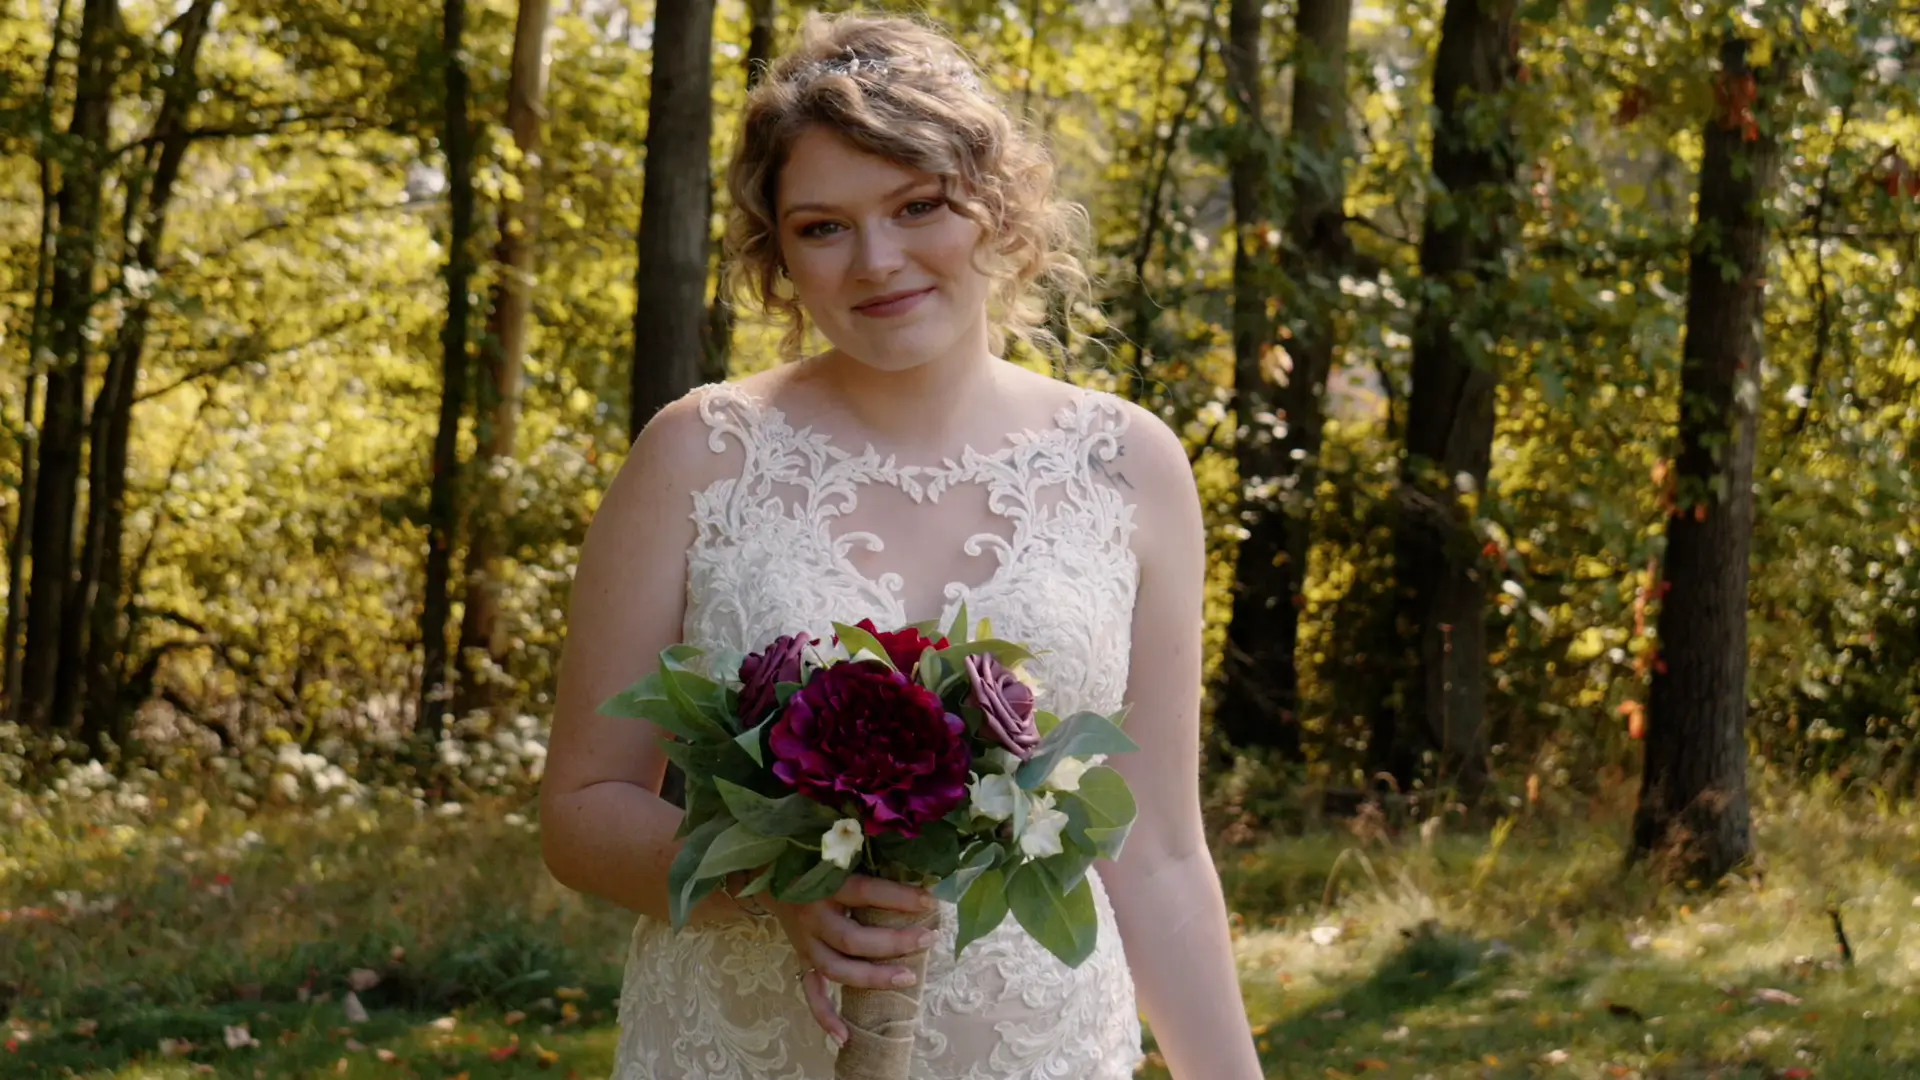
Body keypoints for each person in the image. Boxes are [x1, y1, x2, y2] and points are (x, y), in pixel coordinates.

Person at [539, 12, 1262, 1079]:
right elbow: (583, 813)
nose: (877, 262)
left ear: (997, 206)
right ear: (775, 252)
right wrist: (772, 883)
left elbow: (1154, 854)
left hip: (1039, 1047)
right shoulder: (698, 456)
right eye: (821, 227)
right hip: (745, 1045)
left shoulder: (1129, 465)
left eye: (917, 206)